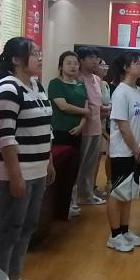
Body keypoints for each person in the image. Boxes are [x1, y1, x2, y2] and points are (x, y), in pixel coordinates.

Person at [0, 37, 55, 280]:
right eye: (33, 53)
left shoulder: (36, 86)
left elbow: (46, 128)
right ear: (16, 59)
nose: (39, 57)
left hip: (37, 170)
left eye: (39, 52)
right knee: (7, 230)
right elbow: (4, 135)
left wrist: (49, 162)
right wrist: (15, 176)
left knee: (27, 227)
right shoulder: (8, 87)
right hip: (14, 173)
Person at [105, 53, 140, 253]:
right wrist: (135, 149)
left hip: (137, 151)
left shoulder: (138, 91)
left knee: (128, 192)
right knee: (117, 193)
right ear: (125, 68)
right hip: (123, 152)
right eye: (137, 63)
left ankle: (124, 230)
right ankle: (114, 236)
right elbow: (123, 126)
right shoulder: (121, 92)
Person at [48, 51, 88, 220]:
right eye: (68, 63)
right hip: (59, 132)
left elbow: (86, 108)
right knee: (59, 171)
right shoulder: (55, 84)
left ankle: (68, 205)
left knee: (73, 171)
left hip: (77, 132)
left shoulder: (80, 85)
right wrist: (85, 112)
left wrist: (81, 125)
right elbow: (63, 106)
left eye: (76, 63)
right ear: (61, 66)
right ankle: (55, 209)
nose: (73, 66)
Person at [74, 46, 106, 207]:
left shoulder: (97, 79)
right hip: (83, 127)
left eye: (96, 58)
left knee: (91, 164)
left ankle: (87, 194)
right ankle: (73, 198)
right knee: (79, 163)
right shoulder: (77, 78)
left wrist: (106, 109)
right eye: (91, 58)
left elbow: (97, 104)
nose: (95, 61)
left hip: (96, 125)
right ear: (81, 60)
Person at [94, 58, 112, 197]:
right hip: (94, 123)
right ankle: (90, 187)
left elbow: (108, 104)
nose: (105, 68)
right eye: (102, 65)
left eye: (106, 65)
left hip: (104, 123)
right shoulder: (92, 83)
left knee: (100, 156)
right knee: (93, 157)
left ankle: (95, 185)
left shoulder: (105, 84)